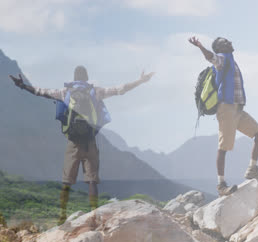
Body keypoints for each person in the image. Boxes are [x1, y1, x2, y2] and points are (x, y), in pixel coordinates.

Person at [9, 66, 154, 224]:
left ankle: (62, 216)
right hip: (90, 141)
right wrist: (140, 80)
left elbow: (41, 91)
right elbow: (120, 89)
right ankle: (94, 216)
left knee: (66, 182)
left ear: (74, 77)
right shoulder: (96, 91)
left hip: (73, 142)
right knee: (92, 180)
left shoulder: (65, 92)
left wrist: (22, 86)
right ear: (86, 78)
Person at [188, 36, 258, 196]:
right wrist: (200, 47)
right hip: (226, 108)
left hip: (237, 108)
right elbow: (211, 58)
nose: (230, 42)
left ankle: (252, 169)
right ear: (220, 48)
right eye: (225, 42)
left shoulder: (230, 59)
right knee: (223, 147)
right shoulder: (223, 59)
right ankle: (221, 185)